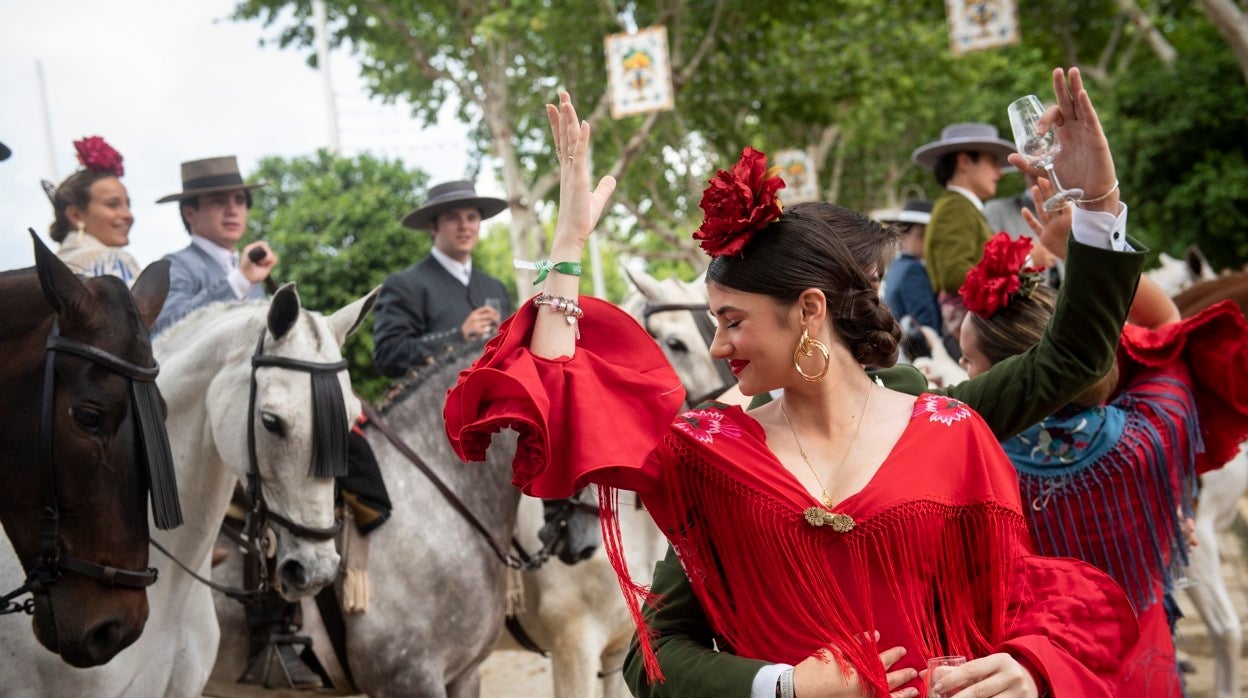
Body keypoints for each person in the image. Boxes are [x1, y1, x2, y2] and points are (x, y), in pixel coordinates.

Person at [447, 70, 1139, 698]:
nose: (717, 346)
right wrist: (782, 686)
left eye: (732, 321)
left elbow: (1030, 597)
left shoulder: (949, 429)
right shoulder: (710, 458)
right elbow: (558, 407)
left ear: (808, 311)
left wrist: (1024, 663)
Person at [958, 232, 1248, 697]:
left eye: (969, 360)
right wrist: (1087, 236)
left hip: (1049, 671)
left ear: (1007, 373)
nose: (963, 373)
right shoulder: (1151, 425)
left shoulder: (971, 463)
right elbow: (1166, 325)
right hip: (1145, 661)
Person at [371, 180, 512, 377]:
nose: (464, 226)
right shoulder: (404, 285)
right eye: (453, 218)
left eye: (471, 217)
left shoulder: (495, 287)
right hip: (436, 405)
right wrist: (457, 336)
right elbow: (388, 355)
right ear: (433, 227)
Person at [912, 122, 1015, 342]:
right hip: (970, 335)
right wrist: (1022, 265)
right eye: (992, 162)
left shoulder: (961, 206)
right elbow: (954, 275)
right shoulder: (956, 207)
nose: (999, 172)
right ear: (965, 161)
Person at [151, 156, 276, 336]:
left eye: (240, 200)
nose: (233, 210)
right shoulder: (174, 266)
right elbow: (167, 328)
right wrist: (240, 280)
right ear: (189, 213)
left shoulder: (249, 270)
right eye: (218, 201)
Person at [46, 136, 141, 283]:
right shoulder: (112, 262)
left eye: (127, 205)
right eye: (112, 204)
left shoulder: (48, 272)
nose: (128, 215)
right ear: (76, 215)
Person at [880, 200, 940, 332]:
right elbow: (927, 325)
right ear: (903, 235)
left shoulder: (898, 265)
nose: (929, 242)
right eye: (922, 235)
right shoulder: (912, 270)